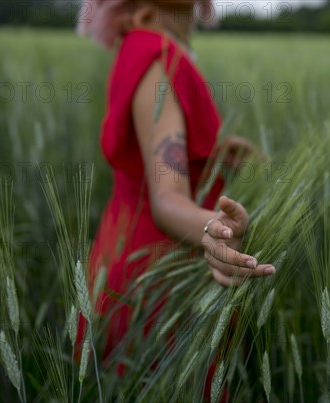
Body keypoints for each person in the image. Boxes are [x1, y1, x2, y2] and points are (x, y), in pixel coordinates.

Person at [76, 0, 275, 366]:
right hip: (158, 280)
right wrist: (214, 230)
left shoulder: (142, 44)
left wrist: (211, 159)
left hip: (131, 255)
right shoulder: (157, 55)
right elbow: (166, 196)